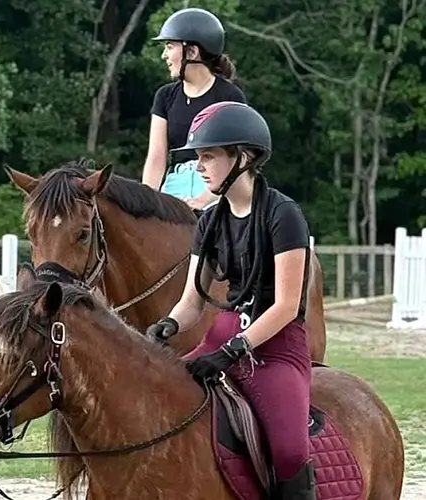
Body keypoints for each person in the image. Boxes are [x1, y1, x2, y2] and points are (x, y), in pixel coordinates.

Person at [145, 101, 315, 499]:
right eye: (198, 158)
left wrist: (234, 350)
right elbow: (192, 301)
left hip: (277, 347)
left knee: (290, 451)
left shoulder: (283, 214)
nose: (198, 167)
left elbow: (288, 306)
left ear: (242, 156)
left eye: (208, 156)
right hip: (222, 335)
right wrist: (167, 326)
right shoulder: (208, 221)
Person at [141, 7, 248, 211]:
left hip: (217, 188)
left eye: (170, 46)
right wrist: (146, 202)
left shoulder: (230, 96)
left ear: (192, 51)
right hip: (174, 185)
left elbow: (238, 160)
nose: (164, 55)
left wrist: (203, 200)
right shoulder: (165, 96)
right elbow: (156, 156)